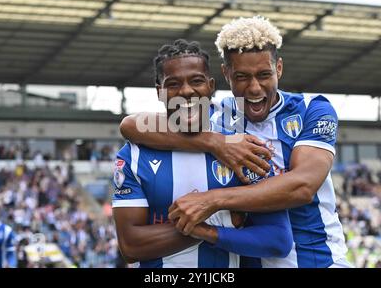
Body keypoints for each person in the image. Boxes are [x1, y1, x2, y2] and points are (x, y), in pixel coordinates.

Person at [120, 16, 350, 268]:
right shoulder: (220, 116)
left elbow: (302, 187)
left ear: (279, 69)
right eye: (242, 76)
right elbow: (132, 125)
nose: (254, 88)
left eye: (264, 75)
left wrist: (213, 200)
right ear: (226, 74)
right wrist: (216, 142)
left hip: (318, 261)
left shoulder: (313, 109)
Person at [112, 39, 293, 268]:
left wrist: (207, 228)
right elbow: (131, 247)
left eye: (196, 81)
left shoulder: (241, 148)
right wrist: (224, 220)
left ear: (211, 86)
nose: (186, 91)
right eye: (173, 84)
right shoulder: (134, 156)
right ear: (160, 92)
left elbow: (278, 240)